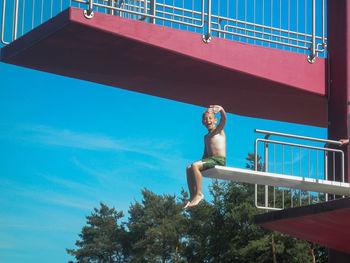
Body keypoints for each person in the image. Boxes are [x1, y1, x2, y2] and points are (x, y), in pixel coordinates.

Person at [184, 105, 227, 210]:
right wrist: (199, 165)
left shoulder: (219, 131)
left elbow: (224, 119)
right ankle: (192, 195)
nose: (208, 121)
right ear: (202, 122)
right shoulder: (206, 137)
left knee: (194, 166)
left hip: (219, 160)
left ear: (215, 120)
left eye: (210, 118)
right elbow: (205, 153)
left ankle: (199, 194)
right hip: (210, 159)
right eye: (205, 119)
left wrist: (221, 109)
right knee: (189, 168)